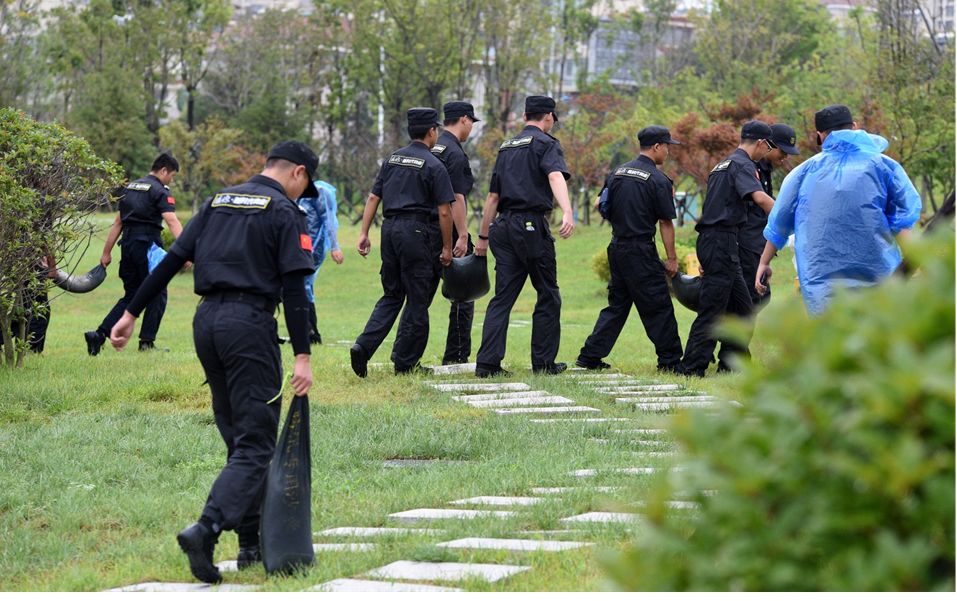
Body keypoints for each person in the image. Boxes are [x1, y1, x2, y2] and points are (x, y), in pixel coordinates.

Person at [109, 141, 318, 584]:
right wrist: (303, 355)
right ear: (298, 173)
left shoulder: (218, 200)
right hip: (249, 326)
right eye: (305, 187)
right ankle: (205, 529)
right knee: (257, 442)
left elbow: (171, 260)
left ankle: (250, 546)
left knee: (240, 440)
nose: (303, 196)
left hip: (207, 324)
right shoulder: (284, 211)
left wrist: (130, 313)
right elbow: (296, 290)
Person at [756, 104, 922, 314]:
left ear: (820, 135)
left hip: (823, 285)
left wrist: (764, 262)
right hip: (879, 278)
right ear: (854, 126)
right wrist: (919, 263)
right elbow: (902, 221)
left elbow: (779, 222)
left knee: (832, 340)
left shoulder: (803, 173)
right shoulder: (884, 166)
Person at [473, 95, 576, 378]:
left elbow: (493, 196)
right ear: (548, 117)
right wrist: (567, 211)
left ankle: (487, 364)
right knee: (548, 293)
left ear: (524, 117)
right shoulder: (546, 143)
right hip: (530, 226)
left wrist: (483, 237)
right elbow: (555, 176)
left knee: (502, 298)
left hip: (502, 228)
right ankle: (543, 364)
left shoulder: (506, 146)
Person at [350, 108, 454, 377]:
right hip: (417, 233)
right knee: (418, 299)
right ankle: (406, 363)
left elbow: (374, 198)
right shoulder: (434, 165)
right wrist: (446, 247)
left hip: (389, 230)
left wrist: (363, 233)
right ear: (432, 131)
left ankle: (363, 345)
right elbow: (444, 211)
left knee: (392, 294)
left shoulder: (392, 159)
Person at [576, 125, 683, 372]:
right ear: (657, 146)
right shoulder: (658, 180)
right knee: (658, 305)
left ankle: (590, 356)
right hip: (641, 251)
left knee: (617, 305)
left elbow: (598, 204)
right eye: (667, 146)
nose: (668, 152)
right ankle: (670, 362)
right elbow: (666, 222)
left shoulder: (617, 172)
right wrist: (672, 258)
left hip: (617, 248)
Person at [676, 121, 776, 377]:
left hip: (722, 240)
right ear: (762, 142)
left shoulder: (723, 164)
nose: (767, 152)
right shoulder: (743, 164)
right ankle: (691, 368)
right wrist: (788, 217)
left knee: (743, 308)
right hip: (720, 240)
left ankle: (734, 365)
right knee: (713, 308)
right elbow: (760, 198)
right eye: (769, 147)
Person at [714, 122, 800, 371]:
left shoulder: (764, 168)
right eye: (782, 151)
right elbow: (760, 206)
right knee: (748, 300)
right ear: (767, 145)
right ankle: (732, 358)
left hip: (756, 244)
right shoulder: (749, 167)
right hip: (744, 244)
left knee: (751, 300)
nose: (784, 157)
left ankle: (733, 354)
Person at [84, 153, 184, 355]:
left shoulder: (130, 188)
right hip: (147, 246)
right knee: (157, 291)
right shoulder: (160, 191)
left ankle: (99, 335)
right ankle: (146, 343)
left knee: (132, 294)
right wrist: (186, 250)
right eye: (171, 175)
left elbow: (118, 223)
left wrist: (106, 253)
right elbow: (172, 221)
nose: (171, 180)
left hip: (127, 246)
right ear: (163, 170)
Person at [432, 100, 479, 364]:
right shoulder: (455, 153)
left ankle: (403, 354)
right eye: (471, 121)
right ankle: (456, 355)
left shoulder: (434, 147)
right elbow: (456, 197)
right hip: (448, 228)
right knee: (464, 294)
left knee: (420, 296)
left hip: (425, 229)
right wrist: (462, 235)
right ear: (463, 119)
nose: (471, 127)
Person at [298, 179, 343, 344]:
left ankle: (310, 333)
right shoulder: (293, 191)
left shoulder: (320, 191)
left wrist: (335, 247)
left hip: (313, 248)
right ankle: (310, 332)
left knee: (303, 285)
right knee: (303, 286)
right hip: (298, 247)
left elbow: (329, 219)